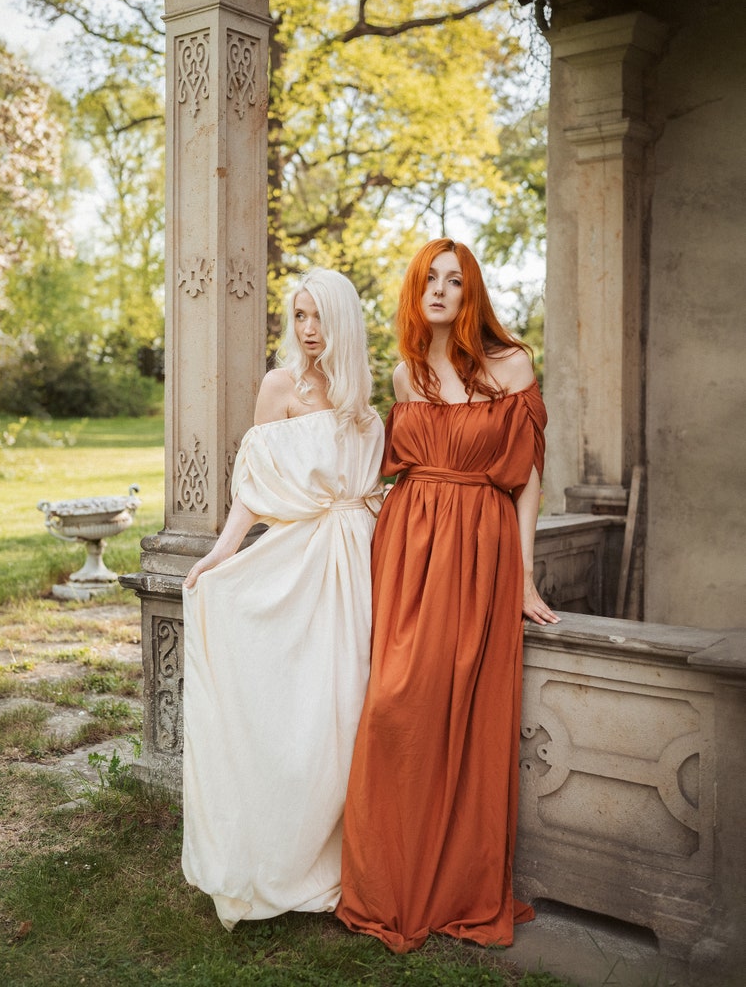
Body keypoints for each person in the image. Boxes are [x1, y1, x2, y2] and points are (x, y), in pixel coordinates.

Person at [336, 237, 560, 953]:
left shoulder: (513, 364)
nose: (439, 290)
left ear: (472, 294)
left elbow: (526, 479)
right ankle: (388, 886)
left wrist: (524, 574)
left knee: (466, 710)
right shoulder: (405, 375)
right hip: (406, 548)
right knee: (393, 706)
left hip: (480, 549)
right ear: (414, 289)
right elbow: (386, 474)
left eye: (454, 281)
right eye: (428, 279)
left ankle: (454, 889)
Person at [181, 267, 384, 931]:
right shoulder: (281, 385)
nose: (307, 331)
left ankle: (344, 856)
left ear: (342, 321)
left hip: (360, 559)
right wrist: (221, 552)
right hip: (302, 561)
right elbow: (254, 483)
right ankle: (278, 854)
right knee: (299, 709)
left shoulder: (361, 393)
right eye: (298, 317)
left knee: (352, 703)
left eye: (318, 317)